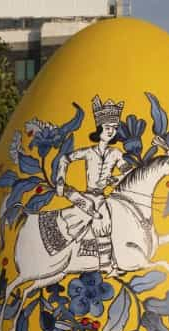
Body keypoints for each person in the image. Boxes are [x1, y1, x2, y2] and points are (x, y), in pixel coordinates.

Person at [53, 95, 133, 272]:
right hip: (87, 195)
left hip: (102, 197)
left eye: (113, 128)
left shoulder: (116, 154)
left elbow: (127, 172)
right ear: (99, 128)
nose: (110, 131)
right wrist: (60, 180)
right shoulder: (89, 152)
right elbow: (64, 159)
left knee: (105, 223)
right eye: (107, 127)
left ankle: (106, 266)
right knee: (88, 216)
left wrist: (115, 179)